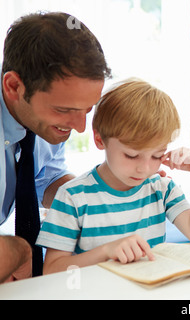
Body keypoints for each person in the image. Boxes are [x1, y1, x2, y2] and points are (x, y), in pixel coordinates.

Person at [36, 80, 190, 274]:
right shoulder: (72, 196)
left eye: (157, 156)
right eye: (131, 155)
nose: (144, 169)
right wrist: (106, 251)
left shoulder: (161, 188)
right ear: (99, 139)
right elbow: (52, 270)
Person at [0, 12, 110, 282]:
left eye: (87, 109)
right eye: (64, 110)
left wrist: (106, 195)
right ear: (14, 86)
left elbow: (45, 179)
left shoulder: (43, 123)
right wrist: (20, 250)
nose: (80, 126)